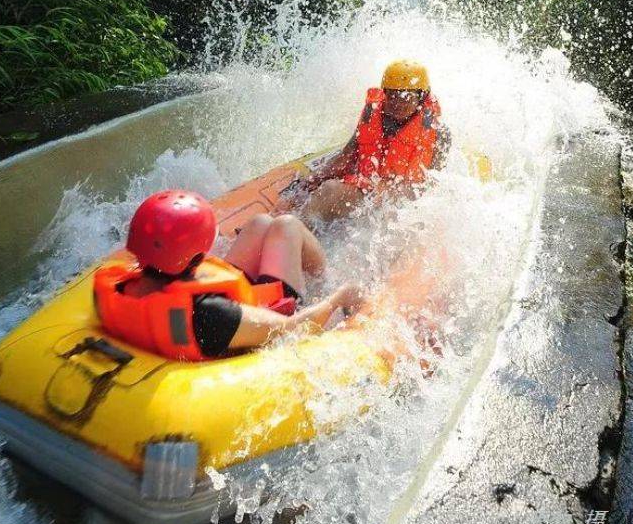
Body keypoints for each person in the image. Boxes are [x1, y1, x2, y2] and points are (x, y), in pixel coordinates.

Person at [93, 190, 361, 360]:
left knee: (260, 223)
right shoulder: (209, 314)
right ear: (196, 258)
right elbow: (293, 328)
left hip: (219, 311)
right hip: (269, 315)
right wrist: (338, 299)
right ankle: (325, 281)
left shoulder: (116, 287)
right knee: (287, 226)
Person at [282, 59, 451, 222]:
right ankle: (292, 228)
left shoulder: (439, 134)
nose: (397, 102)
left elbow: (433, 186)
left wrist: (387, 193)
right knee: (325, 189)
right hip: (367, 189)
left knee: (331, 190)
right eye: (392, 95)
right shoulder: (373, 115)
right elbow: (345, 158)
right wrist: (313, 179)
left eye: (405, 96)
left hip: (401, 202)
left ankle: (293, 233)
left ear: (421, 97)